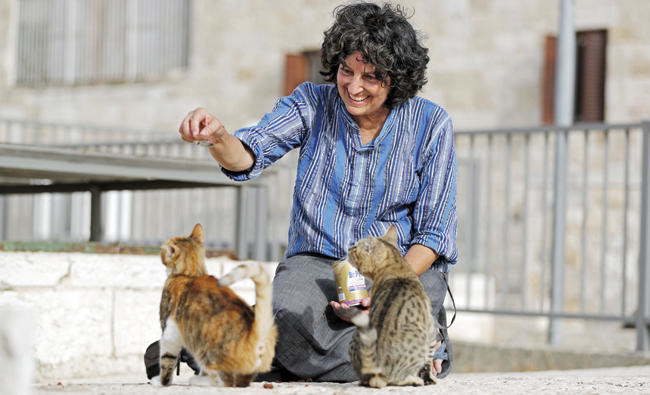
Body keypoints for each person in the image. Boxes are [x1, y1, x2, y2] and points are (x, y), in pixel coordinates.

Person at [178, 2, 457, 382]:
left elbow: (434, 234)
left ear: (397, 79)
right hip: (317, 265)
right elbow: (247, 156)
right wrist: (218, 137)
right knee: (285, 322)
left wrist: (389, 288)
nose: (354, 87)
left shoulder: (431, 123)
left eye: (371, 77)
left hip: (400, 268)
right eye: (347, 70)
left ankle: (254, 355)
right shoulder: (311, 102)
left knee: (397, 307)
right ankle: (403, 359)